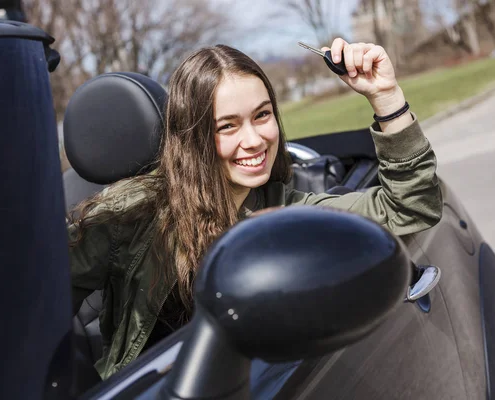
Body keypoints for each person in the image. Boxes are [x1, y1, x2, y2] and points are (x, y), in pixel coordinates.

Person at [68, 38, 443, 380]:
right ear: (193, 138)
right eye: (227, 126)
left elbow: (411, 208)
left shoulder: (288, 215)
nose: (254, 140)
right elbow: (31, 305)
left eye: (262, 115)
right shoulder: (129, 214)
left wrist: (386, 96)